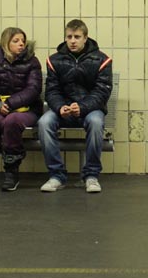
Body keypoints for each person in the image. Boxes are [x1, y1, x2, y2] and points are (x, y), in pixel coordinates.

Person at [38, 18, 113, 193]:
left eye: (77, 37)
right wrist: (59, 107)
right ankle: (56, 176)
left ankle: (91, 176)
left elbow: (102, 91)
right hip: (63, 109)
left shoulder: (102, 60)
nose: (72, 41)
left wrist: (82, 107)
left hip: (90, 110)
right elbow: (52, 91)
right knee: (44, 122)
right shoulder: (54, 60)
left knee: (96, 123)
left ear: (85, 38)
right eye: (69, 37)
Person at [0, 27, 42, 191]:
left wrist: (11, 103)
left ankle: (11, 172)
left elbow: (34, 89)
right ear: (5, 43)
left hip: (27, 110)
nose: (21, 44)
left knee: (12, 121)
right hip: (0, 108)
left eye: (23, 41)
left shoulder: (32, 62)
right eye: (16, 41)